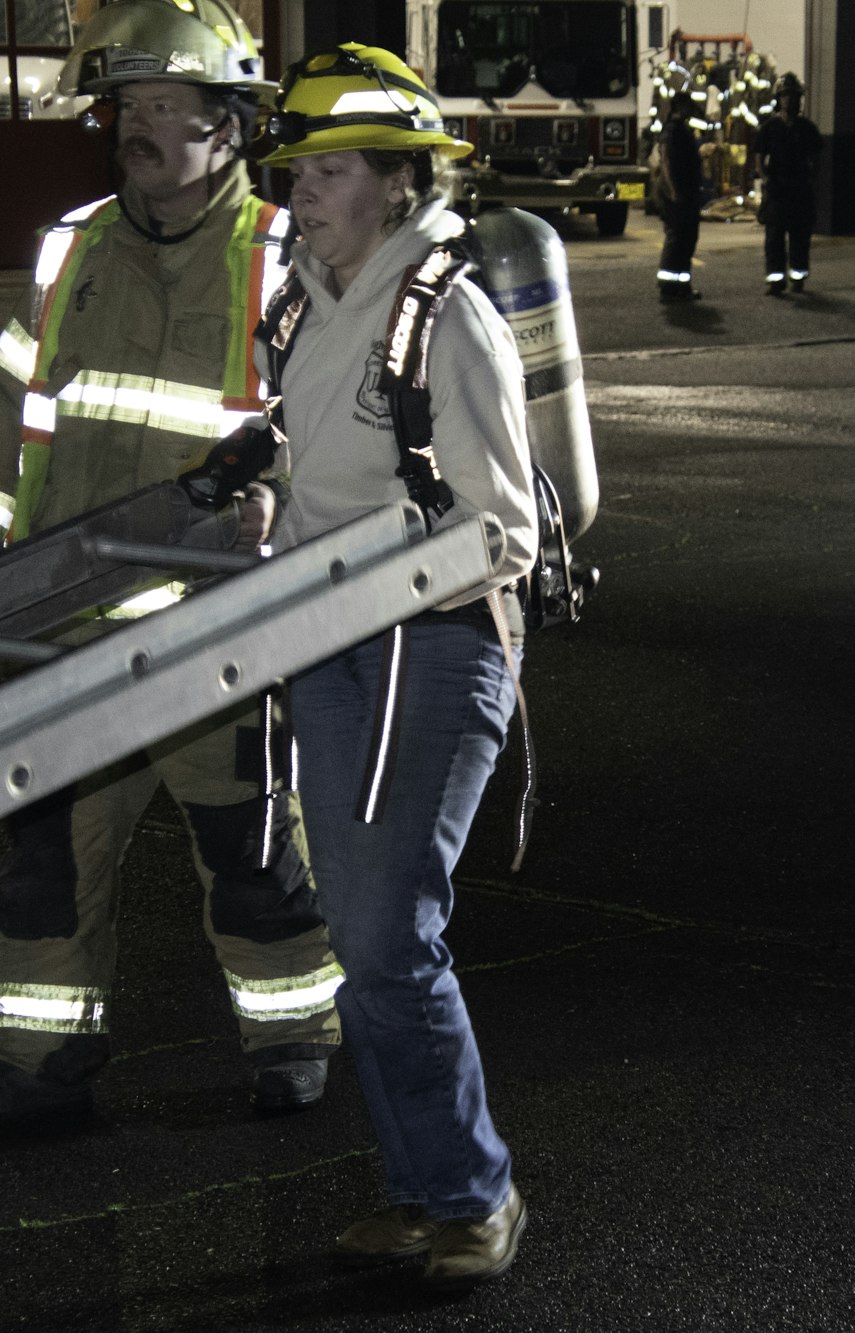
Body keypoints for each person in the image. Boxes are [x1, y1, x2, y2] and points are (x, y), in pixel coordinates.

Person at [0, 0, 341, 1131]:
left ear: (229, 126)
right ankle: (38, 1067)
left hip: (217, 636)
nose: (139, 128)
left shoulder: (283, 261)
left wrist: (277, 502)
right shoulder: (73, 249)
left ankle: (294, 1036)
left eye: (167, 107)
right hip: (67, 629)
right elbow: (10, 405)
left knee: (249, 856)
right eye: (129, 107)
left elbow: (337, 433)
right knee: (44, 862)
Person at [253, 43, 537, 1288]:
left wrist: (363, 578)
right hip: (328, 651)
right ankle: (429, 1192)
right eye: (297, 172)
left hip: (432, 649)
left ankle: (473, 1198)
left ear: (397, 181)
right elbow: (304, 479)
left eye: (328, 170)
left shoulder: (444, 311)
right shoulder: (302, 305)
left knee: (385, 934)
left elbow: (506, 530)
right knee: (361, 941)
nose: (301, 193)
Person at [754, 72, 822, 295]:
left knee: (800, 238)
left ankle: (798, 278)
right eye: (786, 96)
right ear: (779, 98)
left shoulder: (807, 129)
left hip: (800, 190)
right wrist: (766, 180)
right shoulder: (769, 128)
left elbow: (817, 157)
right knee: (774, 238)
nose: (790, 100)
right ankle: (776, 280)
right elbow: (759, 158)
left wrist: (811, 180)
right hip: (778, 190)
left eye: (794, 96)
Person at [655, 62, 706, 302]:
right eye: (688, 106)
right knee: (679, 239)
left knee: (685, 239)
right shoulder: (673, 131)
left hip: (685, 192)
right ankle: (670, 287)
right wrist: (674, 191)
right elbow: (665, 162)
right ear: (680, 107)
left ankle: (680, 286)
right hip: (679, 194)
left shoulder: (679, 129)